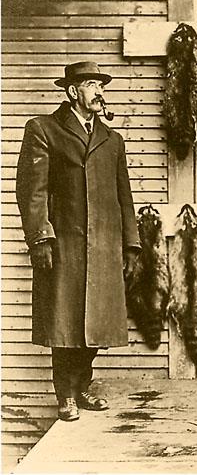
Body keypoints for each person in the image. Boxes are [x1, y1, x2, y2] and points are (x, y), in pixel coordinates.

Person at [16, 61, 140, 421]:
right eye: (91, 85)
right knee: (65, 323)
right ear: (73, 91)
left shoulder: (112, 139)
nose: (100, 92)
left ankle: (82, 385)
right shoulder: (43, 129)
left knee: (96, 322)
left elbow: (124, 196)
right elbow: (32, 191)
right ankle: (66, 394)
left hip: (104, 246)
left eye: (101, 86)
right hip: (64, 244)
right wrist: (40, 238)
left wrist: (131, 244)